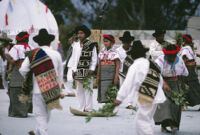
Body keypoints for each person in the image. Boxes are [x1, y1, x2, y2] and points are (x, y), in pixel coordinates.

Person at [114, 41, 166, 135]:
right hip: (155, 94)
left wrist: (119, 98)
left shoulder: (135, 66)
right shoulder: (151, 63)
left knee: (143, 122)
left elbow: (128, 83)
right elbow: (160, 79)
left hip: (147, 96)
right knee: (142, 120)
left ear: (133, 55)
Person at [19, 29, 63, 135]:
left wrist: (32, 77)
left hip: (38, 89)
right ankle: (37, 131)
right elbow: (60, 74)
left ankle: (41, 132)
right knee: (46, 115)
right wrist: (59, 90)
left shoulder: (33, 54)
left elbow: (23, 70)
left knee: (40, 115)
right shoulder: (56, 54)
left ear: (38, 42)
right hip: (52, 89)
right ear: (49, 42)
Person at [153, 44, 189, 133]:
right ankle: (164, 126)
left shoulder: (179, 60)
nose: (172, 58)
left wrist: (183, 85)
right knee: (165, 104)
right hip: (162, 83)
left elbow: (183, 73)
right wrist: (164, 83)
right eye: (170, 56)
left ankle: (174, 125)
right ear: (166, 55)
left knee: (176, 105)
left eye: (174, 55)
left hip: (175, 83)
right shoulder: (160, 60)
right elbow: (156, 73)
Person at [70, 25, 98, 112]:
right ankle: (81, 108)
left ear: (86, 34)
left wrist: (92, 68)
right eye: (78, 33)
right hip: (78, 70)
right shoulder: (75, 45)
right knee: (79, 90)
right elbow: (74, 58)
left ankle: (89, 108)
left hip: (87, 70)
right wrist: (73, 69)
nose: (79, 35)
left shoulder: (91, 44)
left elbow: (94, 58)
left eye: (81, 33)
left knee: (88, 89)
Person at [6, 31, 33, 117]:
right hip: (28, 71)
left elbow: (12, 60)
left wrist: (5, 56)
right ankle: (26, 109)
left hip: (18, 71)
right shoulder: (31, 47)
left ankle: (18, 112)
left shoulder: (16, 48)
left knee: (16, 89)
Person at [97, 34, 120, 103]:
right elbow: (99, 64)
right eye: (104, 41)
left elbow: (118, 65)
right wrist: (98, 76)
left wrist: (116, 77)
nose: (105, 43)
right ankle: (106, 109)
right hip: (103, 76)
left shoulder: (115, 52)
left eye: (107, 41)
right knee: (103, 93)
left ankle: (110, 109)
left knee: (111, 92)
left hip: (111, 76)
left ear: (112, 42)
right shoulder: (102, 52)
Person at [179, 34, 200, 107]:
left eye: (182, 40)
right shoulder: (189, 48)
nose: (181, 41)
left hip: (188, 69)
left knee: (185, 85)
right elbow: (194, 55)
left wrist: (181, 70)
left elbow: (184, 58)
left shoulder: (185, 49)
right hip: (192, 69)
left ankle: (183, 104)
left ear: (184, 41)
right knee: (195, 86)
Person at [116, 31, 135, 109]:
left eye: (130, 42)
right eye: (127, 42)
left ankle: (129, 103)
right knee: (122, 87)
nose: (129, 44)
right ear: (123, 42)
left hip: (131, 72)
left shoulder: (133, 50)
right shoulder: (118, 50)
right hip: (121, 72)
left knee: (131, 87)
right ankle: (119, 100)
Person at [63, 30, 77, 97]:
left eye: (70, 38)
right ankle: (69, 92)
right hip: (69, 63)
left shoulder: (76, 46)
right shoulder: (71, 46)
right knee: (68, 78)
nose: (69, 39)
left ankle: (71, 91)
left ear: (73, 38)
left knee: (70, 78)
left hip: (73, 64)